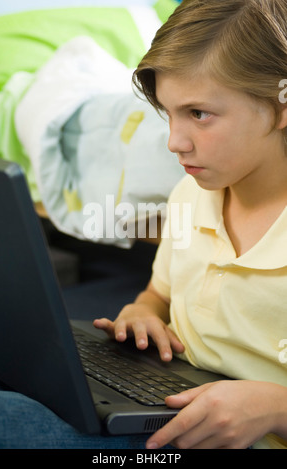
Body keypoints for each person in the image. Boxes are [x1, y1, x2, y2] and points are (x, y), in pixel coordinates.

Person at [93, 0, 287, 449]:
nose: (174, 142)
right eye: (169, 113)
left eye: (198, 114)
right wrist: (143, 313)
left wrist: (276, 407)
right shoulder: (191, 194)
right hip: (165, 409)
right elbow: (159, 293)